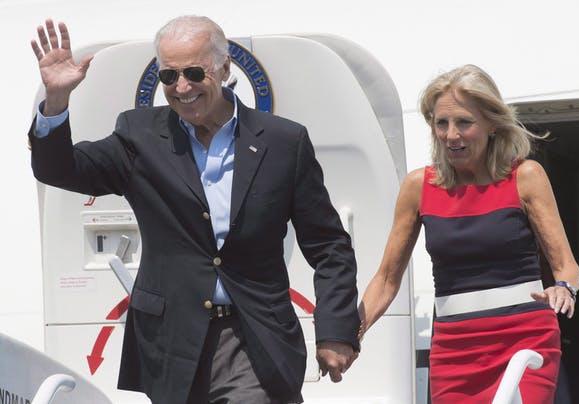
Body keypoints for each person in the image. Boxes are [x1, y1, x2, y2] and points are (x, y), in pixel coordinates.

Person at [29, 16, 360, 404]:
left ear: (224, 68)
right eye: (169, 76)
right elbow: (58, 169)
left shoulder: (284, 141)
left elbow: (328, 245)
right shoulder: (140, 136)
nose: (182, 87)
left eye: (193, 73)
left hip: (254, 337)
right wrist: (56, 101)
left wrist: (335, 330)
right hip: (171, 343)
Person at [358, 64, 579, 403]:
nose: (451, 135)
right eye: (441, 123)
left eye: (464, 122)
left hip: (524, 337)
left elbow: (567, 266)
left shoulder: (526, 176)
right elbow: (387, 280)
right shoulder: (418, 187)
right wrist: (349, 334)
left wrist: (564, 288)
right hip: (453, 346)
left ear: (492, 124)